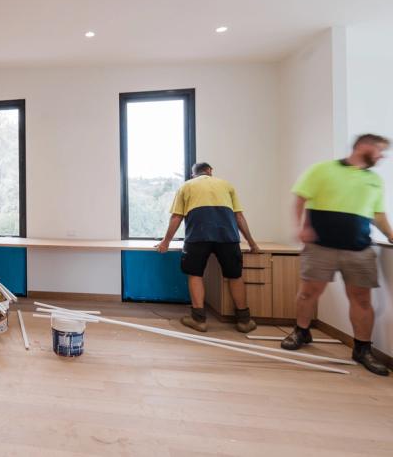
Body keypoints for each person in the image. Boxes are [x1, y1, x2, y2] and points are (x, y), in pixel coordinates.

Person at [282, 134, 393, 376]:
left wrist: (391, 235)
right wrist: (301, 227)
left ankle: (362, 349)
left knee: (362, 299)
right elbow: (300, 198)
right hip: (320, 246)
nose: (382, 156)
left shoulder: (374, 180)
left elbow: (378, 214)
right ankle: (301, 331)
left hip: (359, 249)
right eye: (380, 150)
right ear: (363, 147)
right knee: (308, 293)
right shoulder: (323, 170)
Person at [157, 162, 261, 333]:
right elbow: (239, 217)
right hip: (227, 238)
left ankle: (199, 320)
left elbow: (176, 217)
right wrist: (252, 243)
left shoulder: (186, 186)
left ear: (193, 175)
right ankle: (244, 320)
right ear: (210, 171)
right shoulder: (226, 185)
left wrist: (165, 242)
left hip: (197, 237)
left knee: (195, 274)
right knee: (235, 276)